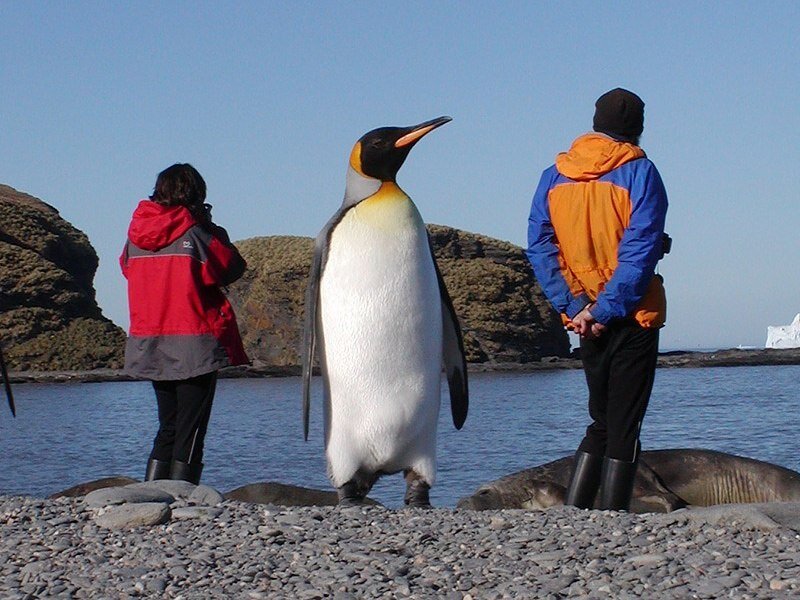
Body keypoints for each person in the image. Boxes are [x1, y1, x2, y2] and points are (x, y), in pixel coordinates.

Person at [526, 88, 669, 511]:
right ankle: (611, 519)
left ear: (594, 121)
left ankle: (575, 513)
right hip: (632, 313)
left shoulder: (554, 175)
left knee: (602, 420)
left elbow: (541, 245)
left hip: (584, 316)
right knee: (625, 423)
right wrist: (606, 309)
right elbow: (638, 249)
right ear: (638, 128)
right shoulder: (640, 172)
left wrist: (574, 307)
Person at [120, 163, 249, 484]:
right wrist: (212, 229)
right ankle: (183, 494)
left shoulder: (134, 238)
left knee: (169, 424)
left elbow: (126, 269)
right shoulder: (195, 232)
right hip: (195, 342)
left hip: (150, 341)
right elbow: (232, 267)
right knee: (191, 429)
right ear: (195, 193)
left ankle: (152, 491)